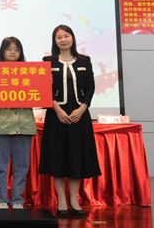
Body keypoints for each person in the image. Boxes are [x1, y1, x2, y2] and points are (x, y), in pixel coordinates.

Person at [39, 24, 100, 219]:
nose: (63, 40)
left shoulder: (84, 60)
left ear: (72, 38)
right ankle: (62, 201)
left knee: (76, 158)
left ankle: (74, 200)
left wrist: (82, 108)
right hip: (56, 115)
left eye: (66, 36)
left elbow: (90, 86)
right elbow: (43, 88)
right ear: (54, 41)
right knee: (57, 159)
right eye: (59, 37)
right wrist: (56, 109)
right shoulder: (47, 61)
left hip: (79, 116)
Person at [0, 37, 37, 209]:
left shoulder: (31, 74)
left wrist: (45, 84)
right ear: (2, 51)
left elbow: (39, 94)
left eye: (16, 49)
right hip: (0, 126)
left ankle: (17, 200)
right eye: (9, 49)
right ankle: (1, 200)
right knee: (0, 168)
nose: (13, 52)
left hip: (23, 126)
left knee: (21, 167)